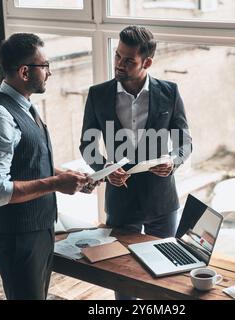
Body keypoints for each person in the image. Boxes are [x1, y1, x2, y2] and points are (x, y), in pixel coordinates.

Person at [0, 33, 97, 300]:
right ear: (25, 72)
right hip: (18, 237)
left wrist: (69, 176)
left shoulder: (25, 106)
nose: (50, 72)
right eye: (45, 66)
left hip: (37, 230)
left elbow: (31, 162)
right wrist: (56, 184)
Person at [79, 26, 192, 299]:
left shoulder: (170, 92)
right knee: (122, 277)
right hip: (121, 200)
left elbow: (184, 143)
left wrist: (173, 161)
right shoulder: (98, 94)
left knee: (164, 276)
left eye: (128, 60)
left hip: (161, 201)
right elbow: (88, 145)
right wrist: (106, 171)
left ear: (147, 62)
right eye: (118, 56)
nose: (119, 64)